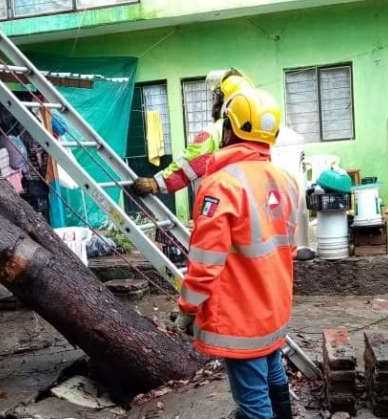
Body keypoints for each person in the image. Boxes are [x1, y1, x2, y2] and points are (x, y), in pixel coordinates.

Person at [175, 87, 298, 419]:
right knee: (274, 375)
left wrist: (187, 308)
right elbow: (291, 247)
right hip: (273, 309)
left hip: (241, 316)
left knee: (254, 403)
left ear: (230, 129)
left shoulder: (220, 185)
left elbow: (204, 262)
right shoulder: (287, 181)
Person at [131, 68, 253, 195]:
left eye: (217, 97)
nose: (214, 102)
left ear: (224, 100)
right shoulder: (267, 133)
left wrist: (156, 183)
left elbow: (190, 163)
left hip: (222, 200)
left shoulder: (215, 132)